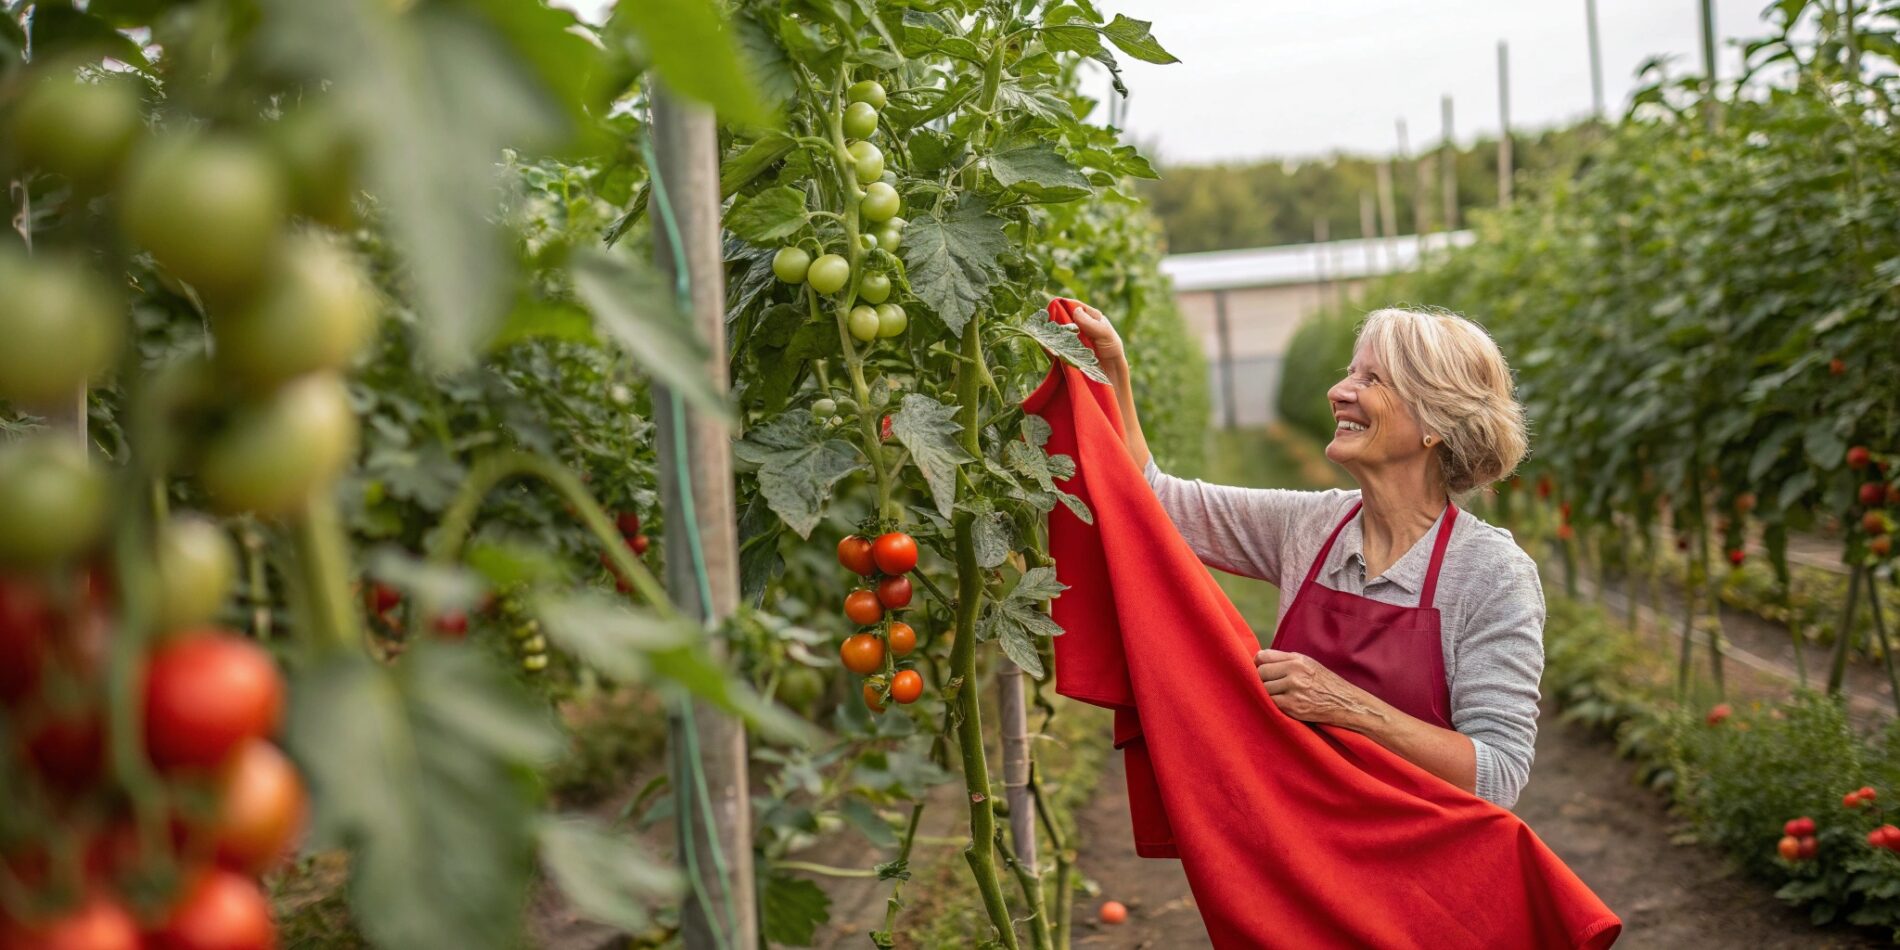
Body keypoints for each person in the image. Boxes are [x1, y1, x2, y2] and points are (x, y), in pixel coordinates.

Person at [1067, 301, 1542, 808]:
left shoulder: (1492, 573)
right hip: (1308, 844)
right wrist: (1112, 368)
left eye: (1374, 380)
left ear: (1436, 423)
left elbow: (1498, 775)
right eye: (1349, 373)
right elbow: (1156, 501)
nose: (1339, 392)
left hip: (1417, 861)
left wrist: (1346, 705)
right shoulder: (1310, 526)